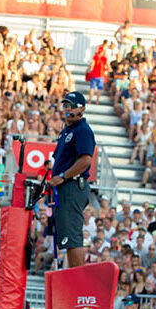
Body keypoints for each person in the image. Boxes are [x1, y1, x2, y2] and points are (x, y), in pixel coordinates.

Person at [48, 91, 96, 268]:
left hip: (72, 186)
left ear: (82, 109)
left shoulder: (82, 130)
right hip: (65, 188)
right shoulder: (67, 131)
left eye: (72, 106)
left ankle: (78, 278)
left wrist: (63, 176)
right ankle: (74, 275)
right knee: (67, 238)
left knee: (73, 238)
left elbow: (86, 160)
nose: (68, 109)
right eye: (65, 105)